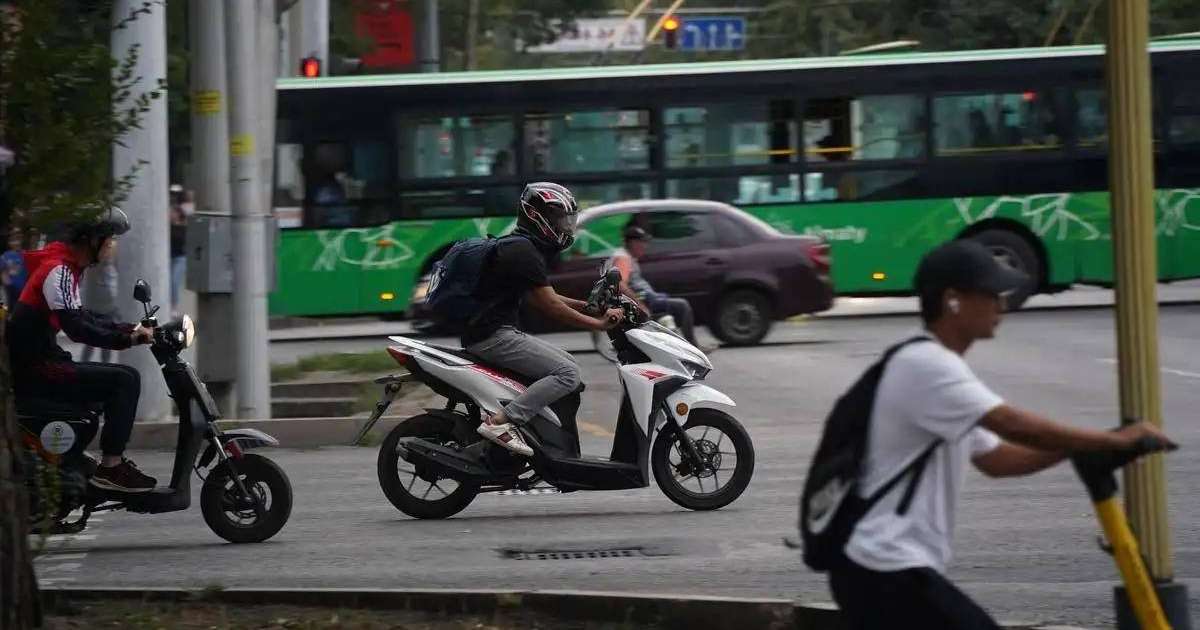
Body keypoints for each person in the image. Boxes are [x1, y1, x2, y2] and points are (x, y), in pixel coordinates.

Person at [828, 239, 1175, 629]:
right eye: (991, 294)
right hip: (882, 567)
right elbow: (1012, 424)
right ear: (953, 300)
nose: (1002, 305)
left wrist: (1079, 448)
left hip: (882, 569)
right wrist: (1112, 441)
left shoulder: (934, 368)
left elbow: (998, 460)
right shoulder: (927, 365)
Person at [464, 182, 623, 456]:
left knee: (569, 364)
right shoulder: (522, 252)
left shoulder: (521, 247)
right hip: (493, 336)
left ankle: (545, 440)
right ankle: (501, 422)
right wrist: (597, 325)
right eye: (560, 219)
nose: (566, 226)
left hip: (496, 332)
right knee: (567, 374)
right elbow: (551, 307)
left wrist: (590, 307)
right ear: (538, 217)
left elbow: (544, 296)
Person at [7, 207, 158, 493]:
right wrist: (128, 340)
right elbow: (77, 328)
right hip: (36, 368)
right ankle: (112, 467)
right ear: (92, 240)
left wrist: (129, 329)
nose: (112, 246)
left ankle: (84, 457)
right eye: (109, 238)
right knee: (125, 380)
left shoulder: (66, 267)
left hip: (40, 360)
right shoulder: (59, 270)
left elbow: (85, 316)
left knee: (116, 380)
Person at [606, 224, 699, 346]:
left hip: (646, 298)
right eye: (642, 242)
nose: (645, 246)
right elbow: (620, 284)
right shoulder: (623, 258)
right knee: (683, 306)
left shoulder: (627, 256)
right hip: (642, 301)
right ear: (632, 243)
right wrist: (640, 305)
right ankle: (694, 346)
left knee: (667, 304)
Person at [169, 199, 187, 313]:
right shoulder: (167, 227)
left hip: (180, 258)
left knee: (174, 281)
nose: (170, 214)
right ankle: (168, 304)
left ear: (178, 214)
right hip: (169, 257)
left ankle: (174, 306)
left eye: (173, 212)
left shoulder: (184, 228)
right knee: (168, 282)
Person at [2, 230, 27, 308]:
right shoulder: (5, 256)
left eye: (18, 239)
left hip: (23, 291)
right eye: (13, 240)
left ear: (22, 240)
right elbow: (3, 273)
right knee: (4, 308)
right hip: (9, 291)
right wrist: (9, 287)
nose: (16, 243)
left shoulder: (26, 255)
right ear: (9, 242)